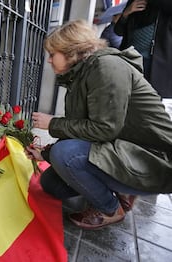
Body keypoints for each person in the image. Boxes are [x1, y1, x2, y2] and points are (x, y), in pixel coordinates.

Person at [25, 20, 172, 230]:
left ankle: (111, 209)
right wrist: (44, 154)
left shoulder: (106, 67)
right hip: (123, 149)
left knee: (64, 155)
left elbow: (104, 129)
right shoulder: (81, 74)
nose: (49, 60)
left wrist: (52, 124)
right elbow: (82, 132)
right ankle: (118, 189)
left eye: (52, 54)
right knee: (52, 184)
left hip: (153, 160)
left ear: (71, 50)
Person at [114, 0, 172, 98]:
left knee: (151, 102)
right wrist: (126, 14)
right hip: (130, 60)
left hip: (156, 65)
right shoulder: (134, 2)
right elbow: (118, 31)